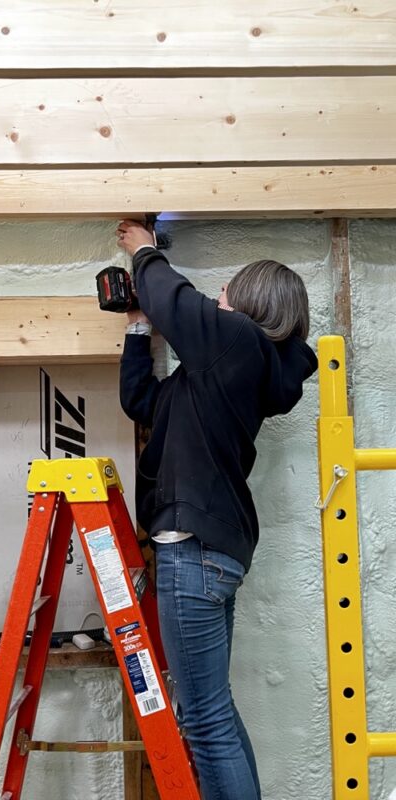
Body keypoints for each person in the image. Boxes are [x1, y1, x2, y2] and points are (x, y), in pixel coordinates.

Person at [115, 218, 318, 800]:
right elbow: (143, 402)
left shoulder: (237, 343)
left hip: (193, 550)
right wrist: (136, 328)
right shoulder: (225, 371)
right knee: (214, 713)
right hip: (212, 554)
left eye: (227, 290)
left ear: (249, 306)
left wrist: (143, 250)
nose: (217, 296)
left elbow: (172, 298)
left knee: (203, 720)